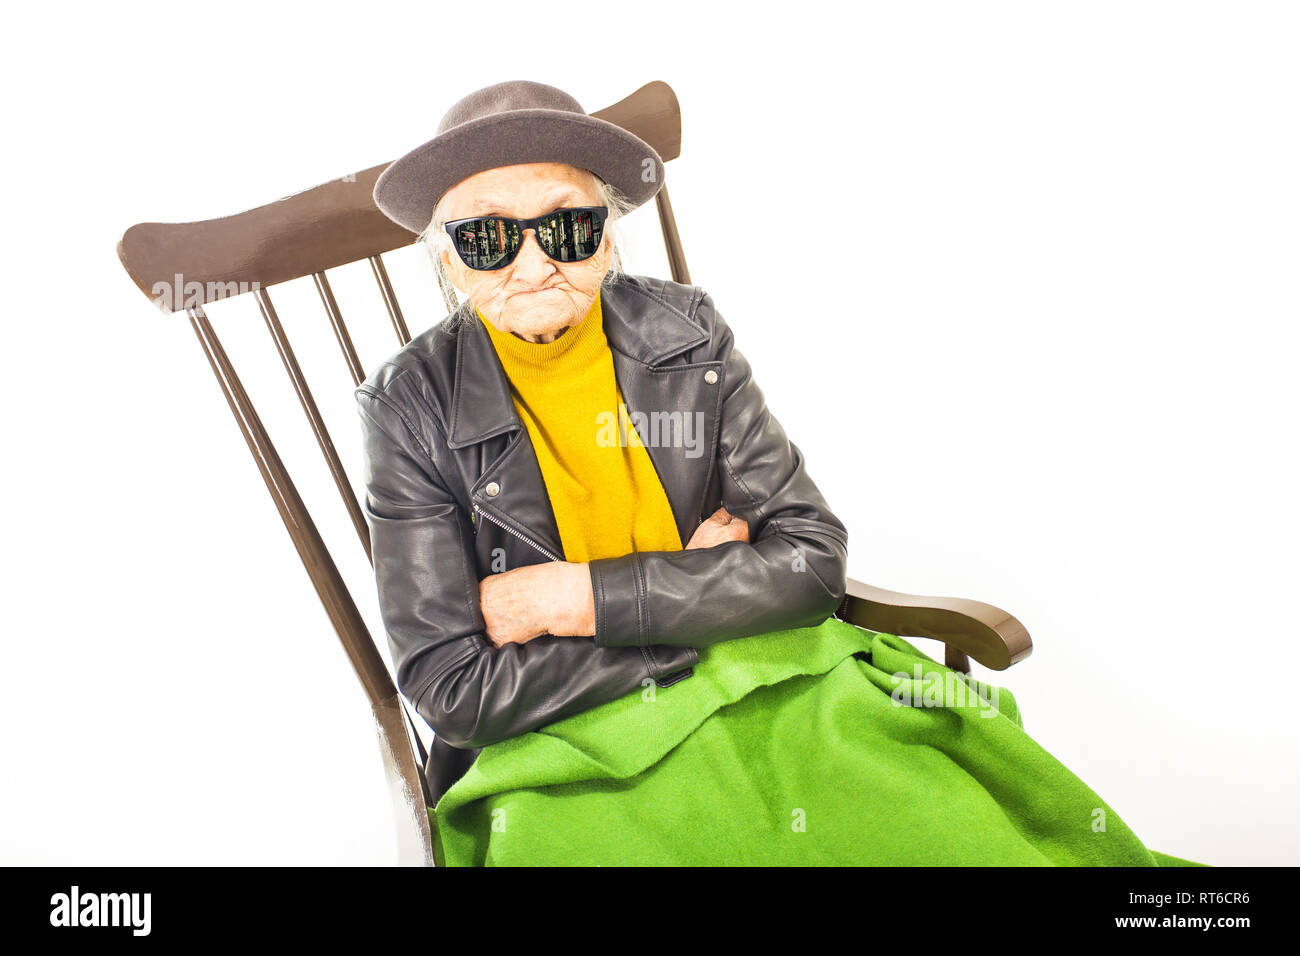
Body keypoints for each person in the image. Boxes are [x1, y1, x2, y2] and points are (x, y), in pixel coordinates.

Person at [357, 80, 1199, 866]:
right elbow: (455, 687)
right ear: (449, 257)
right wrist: (699, 592)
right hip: (561, 735)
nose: (535, 264)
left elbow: (808, 560)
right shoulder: (408, 404)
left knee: (946, 830)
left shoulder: (685, 332)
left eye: (568, 226)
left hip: (778, 670)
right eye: (490, 236)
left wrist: (574, 600)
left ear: (608, 234)